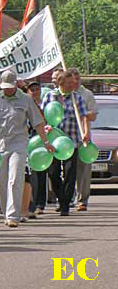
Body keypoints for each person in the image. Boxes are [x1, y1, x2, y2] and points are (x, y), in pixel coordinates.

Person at [0, 70, 52, 227]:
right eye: (4, 87)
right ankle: (6, 213)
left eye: (9, 87)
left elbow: (38, 122)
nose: (7, 90)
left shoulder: (25, 100)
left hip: (18, 144)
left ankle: (13, 215)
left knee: (15, 179)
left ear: (15, 85)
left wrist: (46, 142)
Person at [41, 70, 90, 216]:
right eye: (69, 83)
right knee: (53, 173)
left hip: (71, 141)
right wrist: (46, 127)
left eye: (73, 82)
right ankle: (61, 198)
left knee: (70, 173)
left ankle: (65, 205)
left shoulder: (77, 97)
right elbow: (41, 115)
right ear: (61, 83)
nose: (72, 85)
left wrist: (86, 132)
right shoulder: (50, 96)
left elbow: (84, 116)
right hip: (54, 142)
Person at [68, 68, 98, 211]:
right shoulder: (63, 93)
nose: (74, 83)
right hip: (66, 137)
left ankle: (82, 200)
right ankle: (65, 198)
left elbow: (93, 115)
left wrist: (83, 115)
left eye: (77, 80)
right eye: (72, 80)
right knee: (66, 170)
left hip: (82, 136)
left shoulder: (87, 94)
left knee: (83, 170)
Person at [25, 81, 46, 217]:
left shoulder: (45, 104)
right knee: (30, 176)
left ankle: (40, 203)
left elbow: (44, 122)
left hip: (40, 142)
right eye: (32, 89)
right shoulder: (25, 104)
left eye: (37, 89)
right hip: (26, 142)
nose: (35, 92)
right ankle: (29, 205)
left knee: (41, 173)